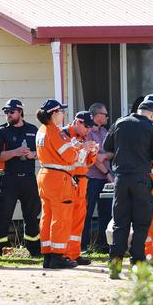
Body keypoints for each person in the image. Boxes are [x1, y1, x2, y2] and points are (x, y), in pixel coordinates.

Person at [104, 100, 153, 279]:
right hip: (140, 179)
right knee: (141, 223)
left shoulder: (120, 122)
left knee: (120, 222)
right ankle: (138, 264)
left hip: (121, 180)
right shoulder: (150, 127)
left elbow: (107, 146)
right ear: (152, 114)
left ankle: (115, 266)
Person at [36, 99, 88, 269]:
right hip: (58, 178)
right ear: (54, 114)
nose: (63, 114)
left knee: (47, 216)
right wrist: (82, 149)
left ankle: (49, 255)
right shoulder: (54, 132)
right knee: (61, 217)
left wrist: (75, 146)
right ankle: (57, 256)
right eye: (61, 112)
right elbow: (70, 156)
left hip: (45, 175)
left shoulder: (42, 130)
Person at [0, 99, 41, 259]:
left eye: (11, 111)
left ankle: (34, 250)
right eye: (6, 112)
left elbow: (43, 151)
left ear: (20, 112)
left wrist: (34, 155)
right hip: (8, 179)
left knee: (32, 215)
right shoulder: (1, 132)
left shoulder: (33, 130)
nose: (8, 115)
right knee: (3, 215)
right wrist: (15, 152)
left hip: (29, 179)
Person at [61, 111, 98, 265]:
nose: (88, 130)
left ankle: (74, 253)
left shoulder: (84, 137)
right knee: (65, 219)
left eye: (90, 127)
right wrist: (82, 147)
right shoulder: (63, 134)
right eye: (86, 126)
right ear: (77, 122)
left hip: (82, 182)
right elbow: (65, 153)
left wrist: (93, 153)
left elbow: (88, 163)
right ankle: (62, 254)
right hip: (68, 181)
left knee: (78, 220)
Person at [81, 103, 114, 254]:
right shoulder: (87, 133)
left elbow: (112, 152)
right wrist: (107, 172)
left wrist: (104, 155)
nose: (107, 117)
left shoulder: (105, 131)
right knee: (86, 212)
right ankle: (83, 246)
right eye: (105, 114)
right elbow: (92, 159)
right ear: (97, 115)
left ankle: (103, 245)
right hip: (92, 178)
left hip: (105, 179)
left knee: (106, 212)